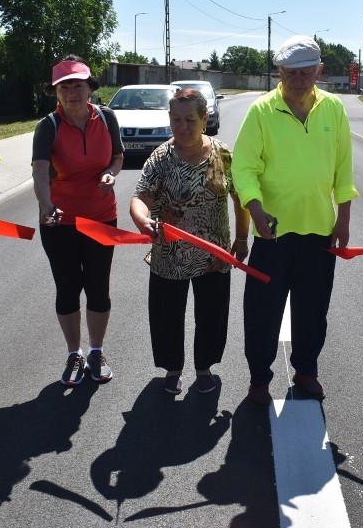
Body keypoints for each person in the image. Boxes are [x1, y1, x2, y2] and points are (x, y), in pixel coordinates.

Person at [232, 35, 359, 408]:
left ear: (319, 71)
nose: (299, 81)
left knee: (313, 309)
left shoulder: (333, 109)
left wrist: (344, 221)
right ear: (279, 73)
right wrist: (255, 210)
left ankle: (306, 370)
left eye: (306, 73)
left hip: (319, 231)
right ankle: (259, 378)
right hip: (272, 236)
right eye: (290, 73)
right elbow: (244, 168)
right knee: (262, 311)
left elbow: (343, 168)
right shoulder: (261, 111)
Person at [130, 88, 250, 394]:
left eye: (189, 119)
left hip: (213, 254)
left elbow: (241, 198)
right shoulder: (161, 157)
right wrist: (142, 220)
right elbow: (140, 197)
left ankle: (204, 368)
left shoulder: (222, 154)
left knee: (211, 314)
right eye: (175, 119)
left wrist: (241, 237)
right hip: (170, 253)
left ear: (204, 118)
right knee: (167, 315)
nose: (182, 126)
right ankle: (173, 369)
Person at [32, 55, 124, 387]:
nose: (73, 92)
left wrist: (111, 175)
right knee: (68, 289)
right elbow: (40, 170)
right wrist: (46, 203)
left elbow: (117, 156)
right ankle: (74, 353)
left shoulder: (107, 117)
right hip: (60, 222)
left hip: (101, 217)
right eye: (65, 86)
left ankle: (96, 350)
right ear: (56, 92)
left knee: (98, 289)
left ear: (89, 88)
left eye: (78, 85)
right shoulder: (48, 126)